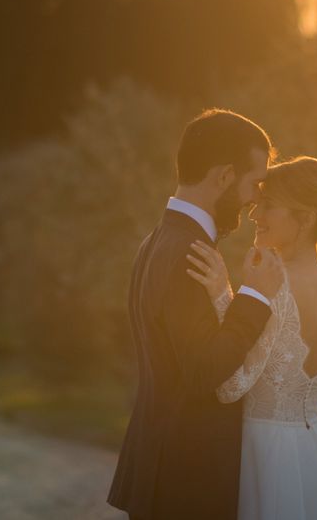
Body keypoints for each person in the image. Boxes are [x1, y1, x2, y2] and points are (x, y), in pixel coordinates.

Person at [108, 109, 284, 520]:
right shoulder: (189, 251)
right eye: (254, 182)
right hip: (187, 479)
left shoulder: (157, 240)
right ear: (223, 176)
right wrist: (255, 297)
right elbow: (204, 370)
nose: (257, 197)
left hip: (164, 468)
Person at [187, 155, 317, 519]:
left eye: (269, 206)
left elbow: (232, 385)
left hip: (265, 454)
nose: (254, 214)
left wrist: (221, 295)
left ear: (306, 219)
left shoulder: (273, 286)